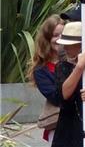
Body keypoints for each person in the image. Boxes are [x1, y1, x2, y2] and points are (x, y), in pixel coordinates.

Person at [52, 22, 85, 147]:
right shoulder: (63, 67)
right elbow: (64, 95)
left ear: (82, 45)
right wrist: (79, 67)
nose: (65, 48)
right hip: (70, 129)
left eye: (70, 45)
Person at [27, 15, 64, 143]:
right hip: (59, 126)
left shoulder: (77, 59)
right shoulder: (41, 70)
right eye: (55, 35)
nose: (59, 39)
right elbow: (56, 97)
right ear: (47, 39)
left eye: (63, 35)